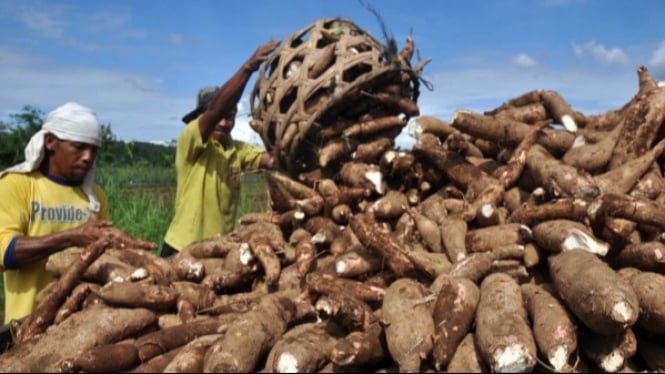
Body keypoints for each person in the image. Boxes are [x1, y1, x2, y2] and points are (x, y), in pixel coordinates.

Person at [160, 39, 281, 258]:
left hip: (219, 251)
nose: (224, 123)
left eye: (231, 117)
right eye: (219, 117)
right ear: (201, 116)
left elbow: (272, 160)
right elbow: (215, 112)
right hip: (182, 249)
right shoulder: (190, 140)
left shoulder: (236, 149)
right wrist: (248, 67)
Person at [0, 102, 114, 324]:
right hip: (27, 322)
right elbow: (5, 254)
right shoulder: (15, 185)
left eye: (93, 149)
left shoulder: (96, 197)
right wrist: (70, 237)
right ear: (50, 141)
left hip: (79, 321)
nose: (88, 157)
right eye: (79, 147)